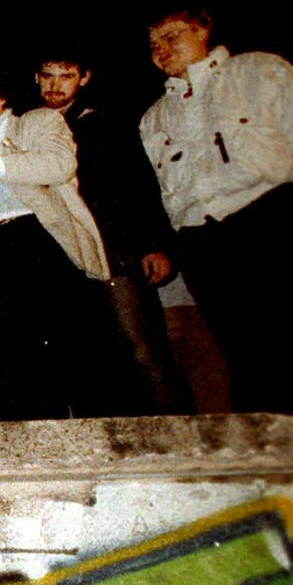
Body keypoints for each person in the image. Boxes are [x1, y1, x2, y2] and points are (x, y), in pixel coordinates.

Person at [138, 8, 293, 414]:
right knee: (244, 355)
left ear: (202, 30)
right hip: (202, 241)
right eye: (154, 43)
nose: (162, 49)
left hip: (273, 217)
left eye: (172, 36)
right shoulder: (154, 117)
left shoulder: (260, 70)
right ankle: (268, 445)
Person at [0, 80, 114, 421]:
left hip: (37, 240)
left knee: (75, 358)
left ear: (1, 96)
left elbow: (60, 164)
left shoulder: (38, 122)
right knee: (16, 370)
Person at [37, 53, 189, 415]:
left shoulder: (105, 123)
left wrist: (155, 245)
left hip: (114, 255)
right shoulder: (29, 129)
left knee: (143, 352)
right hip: (63, 263)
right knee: (89, 361)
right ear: (36, 78)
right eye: (48, 75)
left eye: (66, 75)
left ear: (84, 78)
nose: (55, 85)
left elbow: (140, 185)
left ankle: (179, 435)